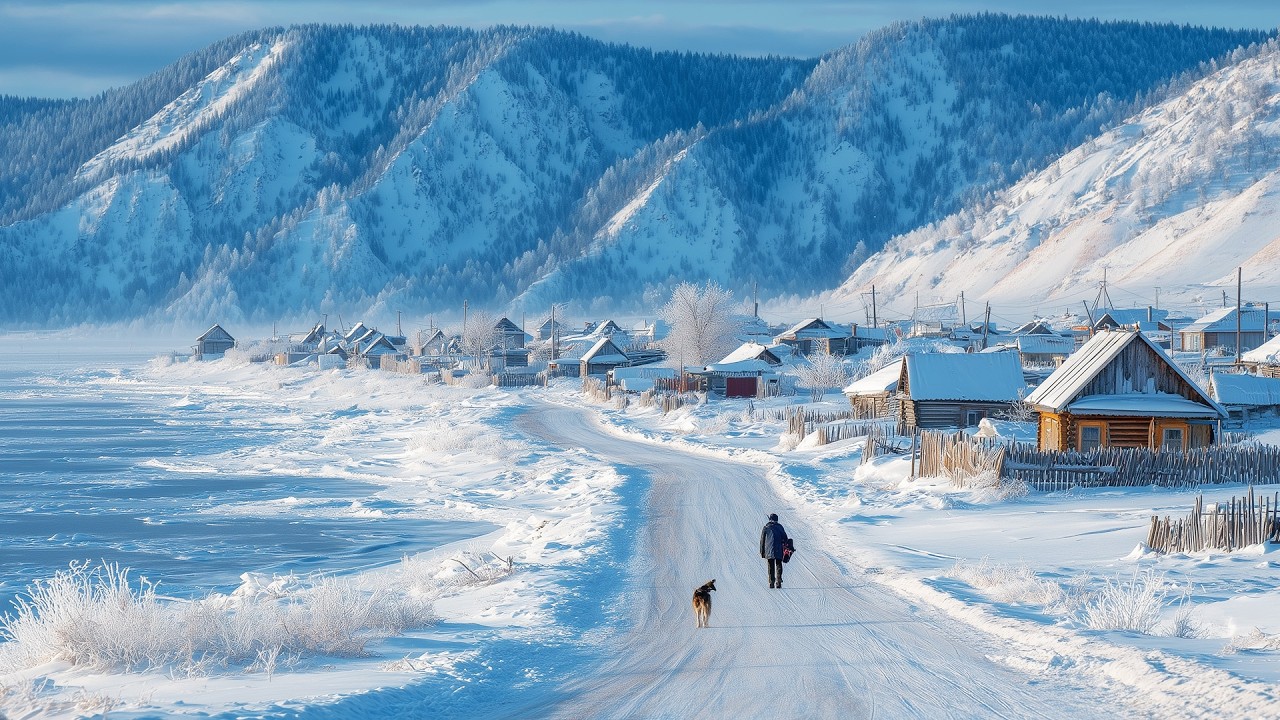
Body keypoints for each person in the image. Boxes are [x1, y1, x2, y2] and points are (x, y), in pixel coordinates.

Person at [759, 513, 789, 589]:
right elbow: (785, 538)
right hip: (779, 548)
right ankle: (778, 581)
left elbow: (762, 541)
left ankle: (771, 582)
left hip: (769, 549)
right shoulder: (780, 527)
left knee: (770, 565)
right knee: (779, 564)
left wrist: (762, 551)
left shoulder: (766, 527)